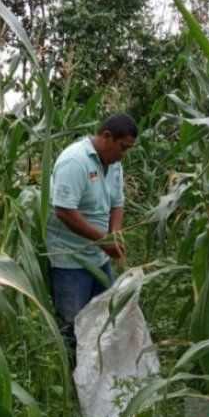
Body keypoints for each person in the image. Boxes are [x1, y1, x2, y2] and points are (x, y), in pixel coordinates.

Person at [46, 113, 137, 351]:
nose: (123, 154)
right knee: (73, 327)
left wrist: (114, 235)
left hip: (99, 258)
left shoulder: (114, 164)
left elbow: (117, 203)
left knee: (105, 321)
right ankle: (70, 381)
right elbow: (64, 211)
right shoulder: (74, 162)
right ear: (106, 137)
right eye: (122, 147)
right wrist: (103, 240)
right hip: (70, 260)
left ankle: (97, 377)